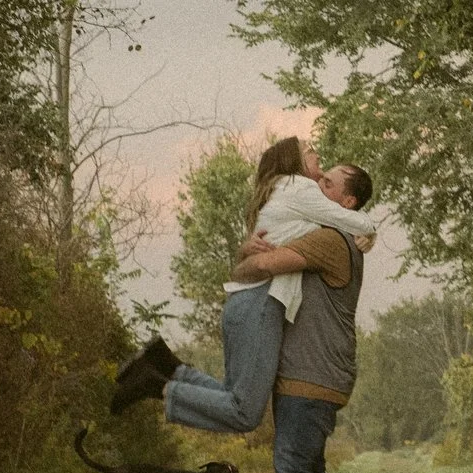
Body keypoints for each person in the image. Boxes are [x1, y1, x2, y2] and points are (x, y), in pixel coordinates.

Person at [108, 137, 375, 433]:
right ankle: (156, 386)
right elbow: (350, 221)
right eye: (312, 154)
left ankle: (167, 364)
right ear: (294, 162)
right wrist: (370, 231)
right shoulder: (300, 187)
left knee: (234, 398)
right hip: (262, 304)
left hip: (246, 302)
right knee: (244, 413)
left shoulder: (285, 193)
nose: (320, 165)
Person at [225, 212, 369, 473]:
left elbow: (256, 269)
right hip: (317, 374)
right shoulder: (337, 239)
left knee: (291, 467)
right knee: (311, 468)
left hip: (309, 376)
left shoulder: (330, 239)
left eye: (328, 183)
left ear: (347, 201)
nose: (317, 185)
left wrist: (248, 257)